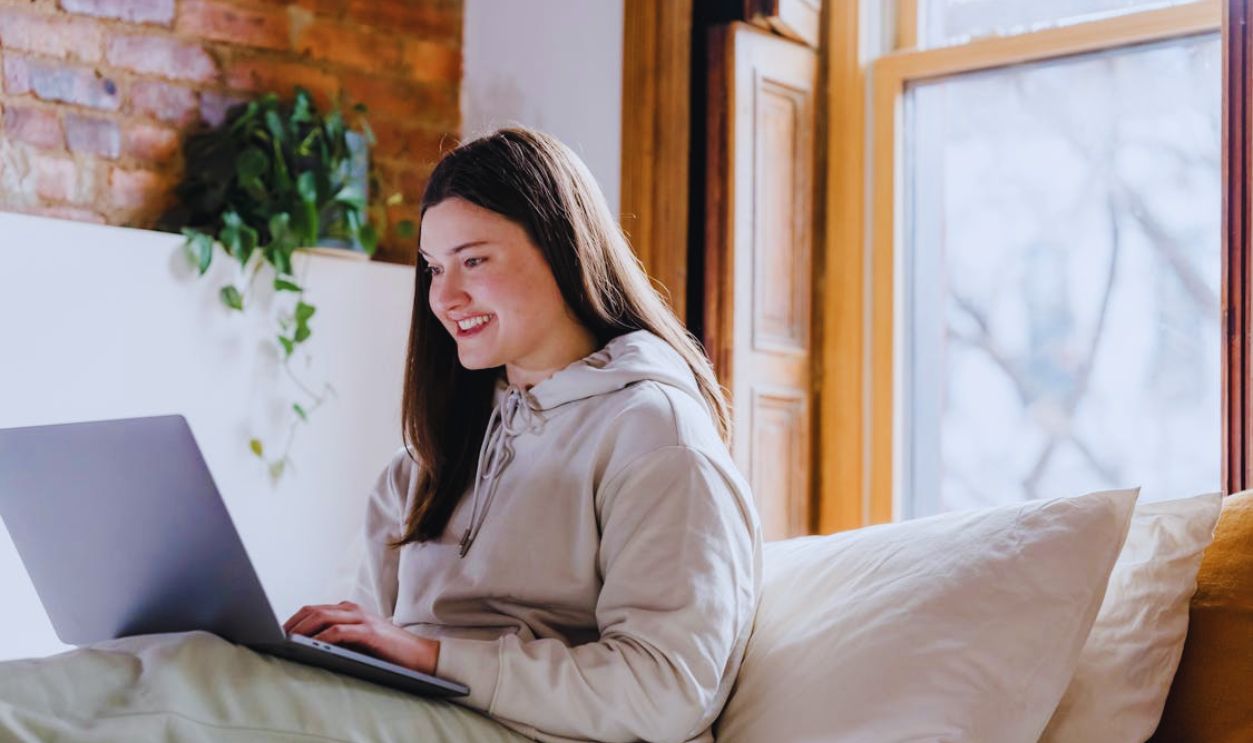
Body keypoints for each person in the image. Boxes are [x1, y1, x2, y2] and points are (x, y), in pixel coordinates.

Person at [280, 127, 762, 743]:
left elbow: (666, 691)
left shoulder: (655, 437)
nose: (446, 297)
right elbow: (366, 649)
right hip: (405, 722)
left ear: (563, 249)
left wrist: (430, 657)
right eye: (434, 268)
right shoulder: (422, 465)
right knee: (174, 660)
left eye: (474, 260)